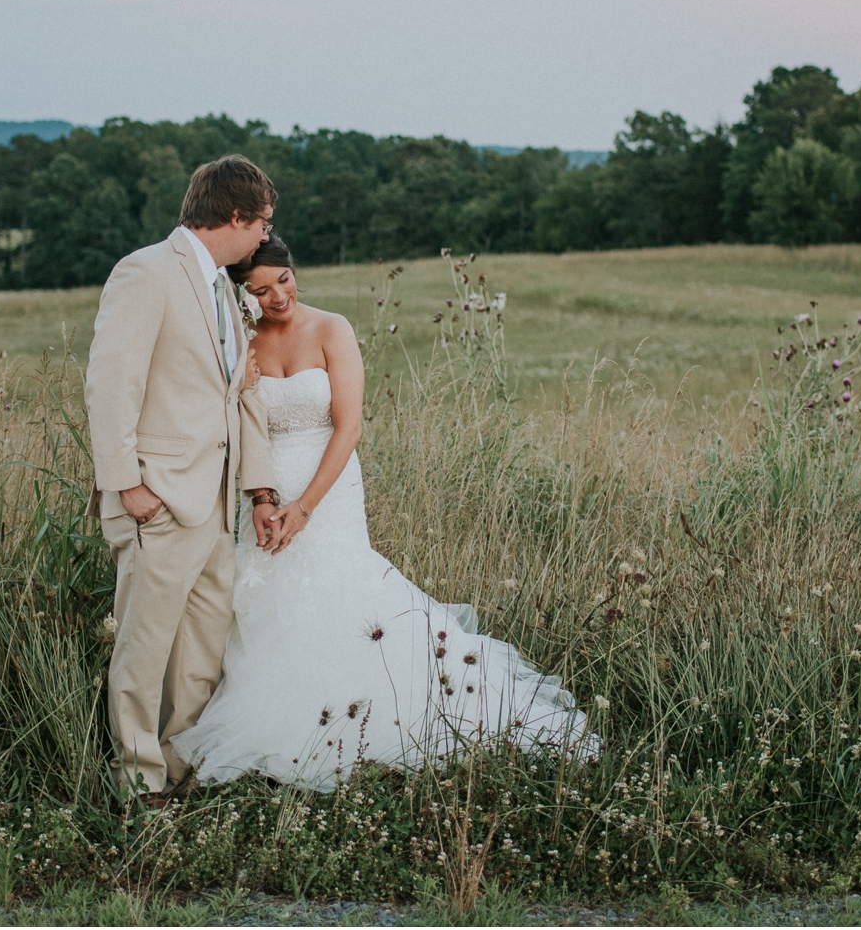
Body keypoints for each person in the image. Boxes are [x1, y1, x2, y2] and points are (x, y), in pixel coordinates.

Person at [170, 233, 596, 791]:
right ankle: (293, 718)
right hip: (268, 491)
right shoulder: (242, 345)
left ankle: (386, 714)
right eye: (260, 290)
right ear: (242, 295)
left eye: (284, 280)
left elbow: (348, 426)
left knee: (343, 588)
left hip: (329, 483)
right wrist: (265, 500)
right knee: (269, 596)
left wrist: (305, 507)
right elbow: (242, 430)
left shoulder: (331, 330)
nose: (278, 297)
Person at [85, 154, 275, 803]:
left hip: (217, 506)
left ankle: (182, 772)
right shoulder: (146, 272)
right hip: (159, 500)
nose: (265, 238)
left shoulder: (226, 289)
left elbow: (233, 397)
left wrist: (256, 488)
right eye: (262, 223)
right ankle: (138, 787)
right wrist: (127, 485)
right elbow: (111, 384)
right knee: (143, 653)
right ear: (234, 216)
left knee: (199, 658)